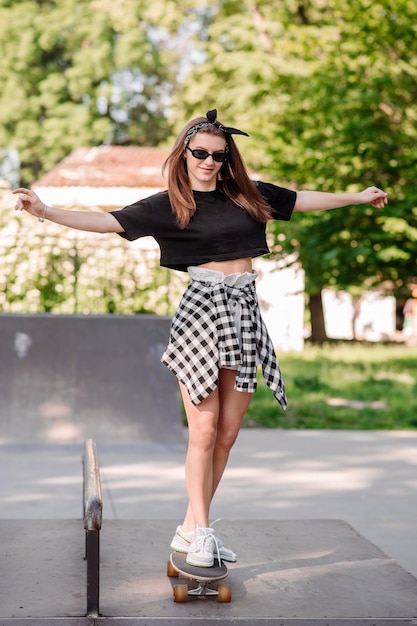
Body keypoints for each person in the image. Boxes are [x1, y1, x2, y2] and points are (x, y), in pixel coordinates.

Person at [13, 108, 388, 567]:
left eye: (218, 154)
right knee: (204, 431)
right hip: (202, 313)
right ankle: (204, 531)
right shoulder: (168, 205)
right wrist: (45, 210)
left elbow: (301, 199)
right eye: (200, 153)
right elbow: (107, 221)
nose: (209, 161)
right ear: (184, 153)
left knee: (228, 434)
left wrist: (356, 196)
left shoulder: (247, 196)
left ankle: (191, 529)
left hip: (245, 311)